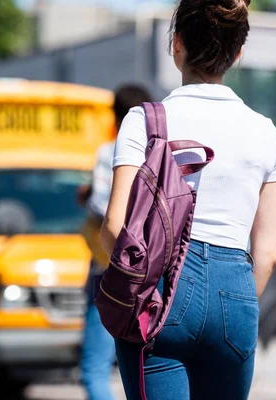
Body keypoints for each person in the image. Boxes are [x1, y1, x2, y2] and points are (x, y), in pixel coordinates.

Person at [100, 0, 276, 398]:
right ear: (238, 54)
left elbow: (115, 227)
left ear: (177, 45)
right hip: (236, 296)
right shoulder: (266, 132)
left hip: (161, 289)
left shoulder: (143, 121)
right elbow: (267, 255)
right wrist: (231, 301)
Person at [78, 84, 152, 400]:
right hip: (153, 269)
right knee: (149, 368)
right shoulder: (161, 152)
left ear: (115, 116)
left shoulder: (110, 150)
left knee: (95, 368)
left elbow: (101, 205)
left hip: (109, 267)